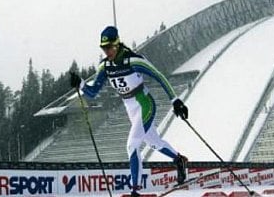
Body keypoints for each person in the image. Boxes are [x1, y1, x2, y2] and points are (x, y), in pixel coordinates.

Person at [70, 26, 189, 197]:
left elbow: (158, 75)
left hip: (145, 103)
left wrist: (175, 100)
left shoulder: (133, 60)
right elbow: (92, 93)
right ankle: (179, 160)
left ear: (117, 44)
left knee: (132, 145)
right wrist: (80, 83)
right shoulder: (105, 66)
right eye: (104, 48)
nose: (107, 51)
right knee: (152, 141)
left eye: (110, 47)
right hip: (130, 108)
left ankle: (136, 190)